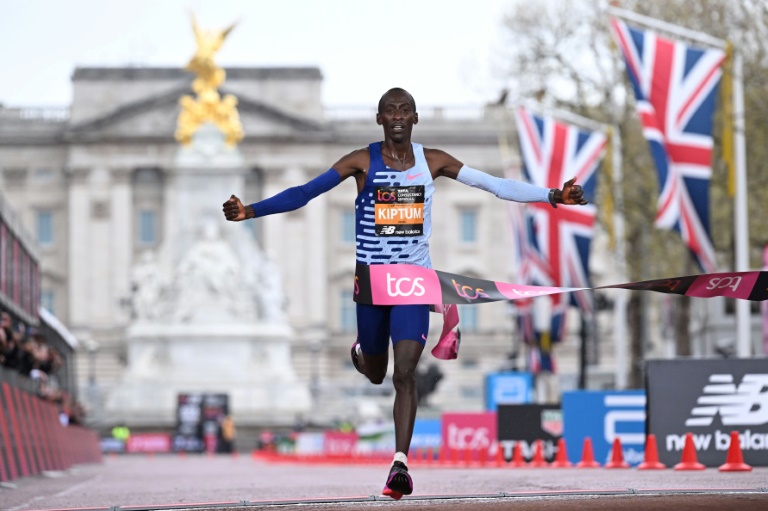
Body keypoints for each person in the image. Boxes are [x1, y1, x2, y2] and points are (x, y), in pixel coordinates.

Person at [223, 87, 587, 499]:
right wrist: (251, 210)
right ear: (380, 120)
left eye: (405, 110)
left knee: (405, 372)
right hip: (373, 283)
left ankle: (400, 464)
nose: (397, 116)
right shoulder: (361, 162)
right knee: (377, 372)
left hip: (413, 280)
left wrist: (553, 196)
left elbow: (495, 185)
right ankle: (363, 352)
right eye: (389, 111)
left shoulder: (434, 162)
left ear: (414, 119)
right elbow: (305, 193)